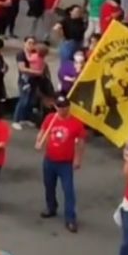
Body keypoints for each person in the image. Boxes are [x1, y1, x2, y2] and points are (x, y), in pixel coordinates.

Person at [37, 94, 86, 232]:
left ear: (69, 107)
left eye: (65, 107)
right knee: (49, 186)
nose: (62, 110)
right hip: (49, 159)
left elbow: (81, 142)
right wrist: (38, 141)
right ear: (56, 107)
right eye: (59, 107)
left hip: (65, 163)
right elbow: (43, 131)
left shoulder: (76, 123)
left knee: (68, 190)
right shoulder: (50, 118)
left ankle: (70, 218)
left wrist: (78, 159)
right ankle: (51, 207)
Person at [13, 37, 46, 129]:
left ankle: (25, 118)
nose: (31, 45)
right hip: (25, 80)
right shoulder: (21, 54)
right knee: (23, 100)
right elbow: (22, 68)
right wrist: (37, 72)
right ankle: (16, 120)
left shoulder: (35, 53)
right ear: (24, 43)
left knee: (31, 101)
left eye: (33, 43)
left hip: (34, 80)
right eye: (29, 42)